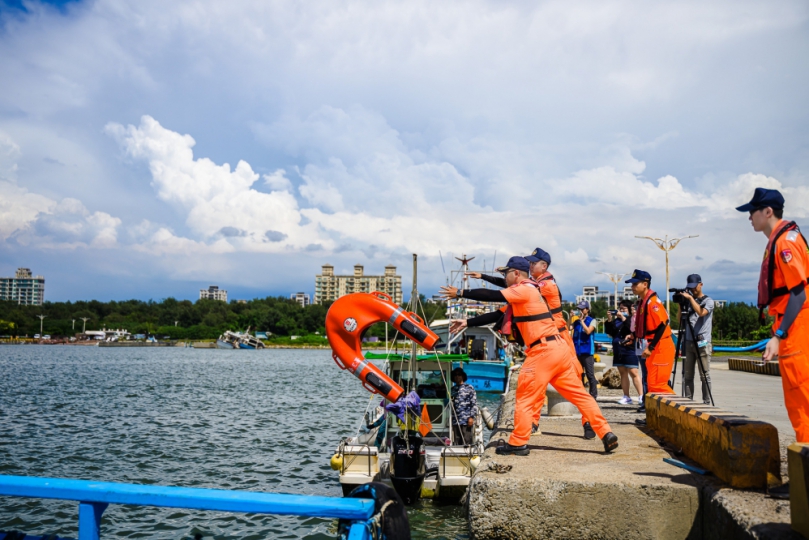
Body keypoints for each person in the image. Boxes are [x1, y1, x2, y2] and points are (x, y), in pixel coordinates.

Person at [439, 256, 618, 455]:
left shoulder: (523, 289)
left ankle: (518, 442)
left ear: (516, 274)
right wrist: (468, 323)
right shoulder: (528, 291)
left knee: (524, 397)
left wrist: (461, 293)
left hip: (542, 351)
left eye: (506, 273)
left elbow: (494, 295)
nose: (504, 277)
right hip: (559, 349)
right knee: (580, 396)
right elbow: (497, 314)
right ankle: (606, 433)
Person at [737, 188, 809, 444]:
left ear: (767, 212)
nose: (749, 218)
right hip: (792, 325)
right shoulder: (779, 240)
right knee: (797, 401)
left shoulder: (785, 242)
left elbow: (799, 295)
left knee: (802, 401)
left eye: (752, 212)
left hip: (797, 327)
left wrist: (779, 335)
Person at [625, 270, 676, 398]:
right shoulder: (643, 302)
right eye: (632, 284)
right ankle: (657, 417)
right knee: (652, 385)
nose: (633, 287)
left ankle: (679, 414)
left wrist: (651, 346)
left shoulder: (653, 303)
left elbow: (663, 325)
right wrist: (635, 336)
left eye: (635, 284)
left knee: (659, 385)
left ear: (645, 284)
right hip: (653, 347)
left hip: (660, 347)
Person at [679, 274, 715, 405]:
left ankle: (706, 402)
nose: (693, 290)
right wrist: (681, 304)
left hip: (702, 342)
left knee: (704, 375)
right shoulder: (689, 302)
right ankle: (688, 401)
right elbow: (680, 320)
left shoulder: (709, 301)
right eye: (690, 288)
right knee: (688, 376)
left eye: (694, 287)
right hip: (688, 341)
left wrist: (690, 298)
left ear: (701, 284)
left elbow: (701, 312)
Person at [606, 300, 643, 404]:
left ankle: (641, 395)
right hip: (618, 349)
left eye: (624, 309)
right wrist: (609, 319)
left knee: (633, 372)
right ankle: (626, 396)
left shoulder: (632, 319)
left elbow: (631, 329)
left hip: (630, 349)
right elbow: (610, 332)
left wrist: (623, 317)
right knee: (623, 373)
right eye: (620, 309)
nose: (621, 311)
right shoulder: (616, 321)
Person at [571, 301, 598, 398]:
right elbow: (567, 328)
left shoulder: (592, 320)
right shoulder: (576, 322)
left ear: (587, 309)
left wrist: (582, 321)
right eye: (579, 309)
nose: (580, 311)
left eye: (582, 309)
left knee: (590, 374)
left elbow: (588, 331)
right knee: (579, 374)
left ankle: (593, 395)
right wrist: (570, 318)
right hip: (577, 351)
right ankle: (581, 394)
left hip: (587, 351)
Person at [450, 367, 477, 445]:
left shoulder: (469, 388)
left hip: (466, 420)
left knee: (467, 441)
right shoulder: (452, 389)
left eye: (459, 375)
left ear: (462, 376)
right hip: (456, 421)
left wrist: (471, 417)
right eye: (455, 375)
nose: (457, 377)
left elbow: (474, 403)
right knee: (457, 442)